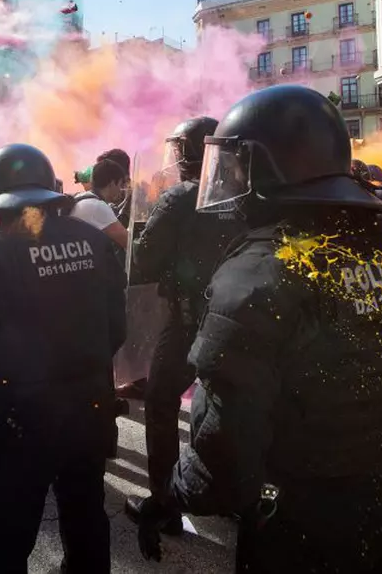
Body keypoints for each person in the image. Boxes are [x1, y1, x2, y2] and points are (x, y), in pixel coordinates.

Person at [135, 85, 382, 572]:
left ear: (268, 167)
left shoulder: (260, 271)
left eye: (235, 164)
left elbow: (224, 455)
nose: (226, 179)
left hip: (301, 521)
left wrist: (168, 496)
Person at [0, 143, 126, 573]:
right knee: (86, 521)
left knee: (6, 537)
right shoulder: (94, 242)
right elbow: (118, 329)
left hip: (21, 422)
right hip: (89, 409)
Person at [123, 117, 244, 533]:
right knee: (229, 404)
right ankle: (232, 496)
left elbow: (145, 260)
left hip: (189, 320)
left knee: (159, 402)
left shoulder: (179, 198)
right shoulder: (245, 195)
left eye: (179, 149)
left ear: (194, 152)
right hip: (236, 320)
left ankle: (165, 505)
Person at [70, 159, 130, 250]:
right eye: (120, 184)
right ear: (112, 183)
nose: (121, 190)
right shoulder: (97, 207)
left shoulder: (82, 198)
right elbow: (128, 242)